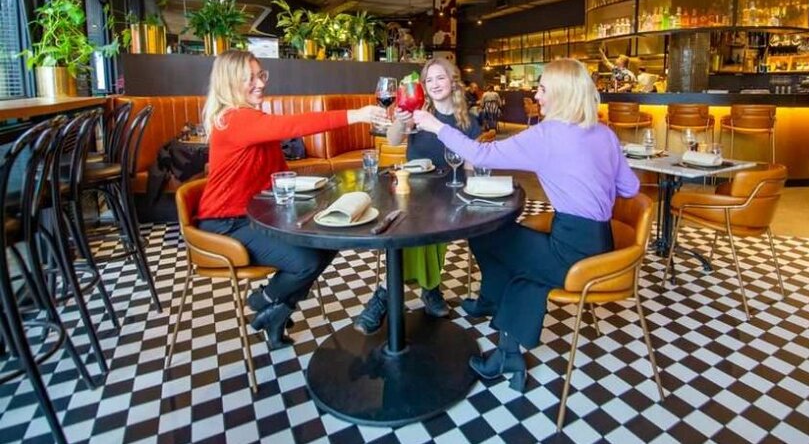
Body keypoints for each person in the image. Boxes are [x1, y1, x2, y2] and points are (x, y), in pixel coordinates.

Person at [413, 58, 640, 392]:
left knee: (488, 233)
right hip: (602, 246)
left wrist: (437, 128)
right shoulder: (605, 134)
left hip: (571, 254)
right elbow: (631, 189)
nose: (538, 95)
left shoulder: (548, 135)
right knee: (525, 271)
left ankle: (493, 300)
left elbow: (482, 156)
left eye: (543, 88)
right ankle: (507, 353)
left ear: (562, 94)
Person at [196, 51, 387, 349]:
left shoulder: (252, 118)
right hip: (225, 224)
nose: (260, 83)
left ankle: (277, 314)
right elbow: (295, 126)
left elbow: (277, 172)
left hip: (256, 216)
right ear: (229, 83)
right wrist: (356, 115)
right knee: (306, 261)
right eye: (250, 78)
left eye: (261, 75)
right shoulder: (234, 119)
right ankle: (266, 300)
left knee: (326, 239)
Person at [353, 58, 482, 334]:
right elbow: (393, 140)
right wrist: (400, 120)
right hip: (410, 189)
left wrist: (469, 191)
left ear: (452, 81)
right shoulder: (417, 111)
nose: (434, 84)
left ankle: (387, 296)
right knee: (413, 227)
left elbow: (471, 165)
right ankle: (428, 289)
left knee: (430, 224)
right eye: (428, 80)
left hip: (449, 190)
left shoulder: (468, 120)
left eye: (440, 78)